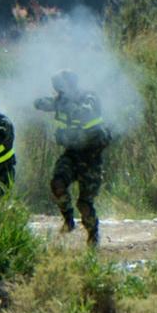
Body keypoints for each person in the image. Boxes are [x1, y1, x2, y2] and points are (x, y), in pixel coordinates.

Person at [35, 69, 110, 246]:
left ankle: (93, 235)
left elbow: (86, 112)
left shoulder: (88, 97)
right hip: (71, 154)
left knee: (84, 204)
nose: (58, 92)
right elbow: (41, 103)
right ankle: (68, 220)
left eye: (60, 88)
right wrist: (47, 102)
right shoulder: (61, 100)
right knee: (57, 183)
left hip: (91, 158)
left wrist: (68, 105)